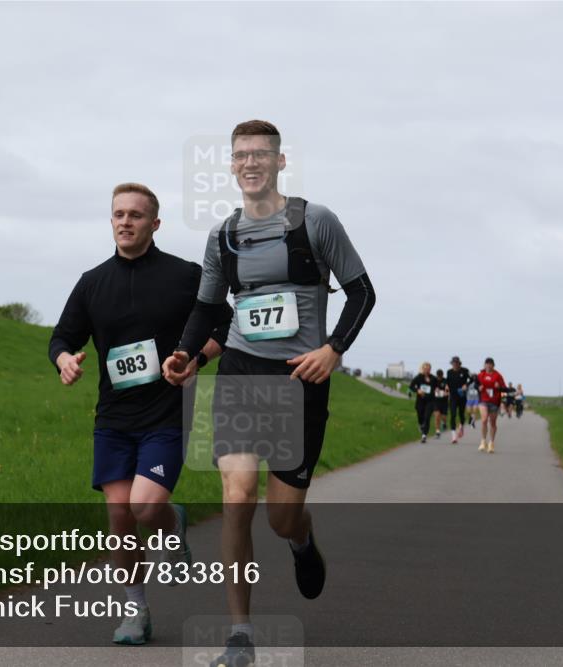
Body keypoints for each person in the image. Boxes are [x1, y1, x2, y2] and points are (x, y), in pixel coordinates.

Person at [162, 120, 375, 667]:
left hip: (298, 381)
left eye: (261, 154)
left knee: (281, 518)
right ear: (231, 166)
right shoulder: (222, 236)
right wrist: (187, 354)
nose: (250, 163)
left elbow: (361, 292)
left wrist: (333, 349)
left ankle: (301, 541)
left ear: (281, 162)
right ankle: (240, 636)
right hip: (237, 373)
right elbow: (210, 308)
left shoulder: (315, 221)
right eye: (240, 156)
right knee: (235, 498)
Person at [48, 183, 232, 645]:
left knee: (145, 505)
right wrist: (65, 360)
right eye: (118, 214)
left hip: (166, 414)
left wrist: (196, 359)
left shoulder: (186, 275)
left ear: (154, 223)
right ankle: (136, 612)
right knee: (120, 518)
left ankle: (173, 522)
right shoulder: (93, 282)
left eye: (135, 215)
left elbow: (224, 323)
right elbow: (61, 337)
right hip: (112, 419)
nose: (125, 221)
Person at [476, 357, 507, 453]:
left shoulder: (498, 376)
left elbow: (504, 389)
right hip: (483, 400)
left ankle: (491, 443)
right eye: (487, 364)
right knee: (484, 419)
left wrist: (499, 388)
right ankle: (483, 441)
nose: (488, 366)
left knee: (492, 423)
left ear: (493, 365)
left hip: (494, 401)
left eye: (490, 364)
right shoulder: (481, 375)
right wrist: (479, 388)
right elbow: (475, 385)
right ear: (484, 365)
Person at [409, 363, 439, 443]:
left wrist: (437, 389)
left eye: (428, 369)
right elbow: (411, 386)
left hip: (430, 401)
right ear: (422, 369)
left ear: (430, 369)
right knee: (420, 416)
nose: (427, 370)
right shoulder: (419, 377)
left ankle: (424, 435)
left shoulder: (433, 378)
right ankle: (420, 425)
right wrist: (417, 390)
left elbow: (438, 386)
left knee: (427, 417)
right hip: (420, 401)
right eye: (425, 369)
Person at [445, 356, 472, 444]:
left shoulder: (465, 371)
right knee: (453, 414)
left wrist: (466, 385)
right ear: (452, 363)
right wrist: (446, 386)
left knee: (461, 414)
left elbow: (472, 379)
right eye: (453, 363)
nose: (455, 364)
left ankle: (461, 426)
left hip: (462, 396)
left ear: (459, 363)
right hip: (453, 396)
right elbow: (447, 382)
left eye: (456, 363)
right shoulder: (449, 372)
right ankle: (453, 435)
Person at [433, 369, 449, 438]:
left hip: (444, 401)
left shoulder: (446, 381)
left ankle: (444, 423)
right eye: (438, 376)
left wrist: (447, 392)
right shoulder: (434, 381)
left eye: (440, 376)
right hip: (436, 401)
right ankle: (437, 431)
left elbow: (448, 390)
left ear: (442, 375)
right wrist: (434, 390)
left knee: (444, 417)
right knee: (437, 416)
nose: (439, 377)